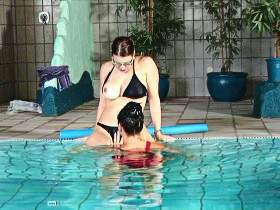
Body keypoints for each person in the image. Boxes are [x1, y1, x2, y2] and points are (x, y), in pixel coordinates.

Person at [86, 36, 175, 146]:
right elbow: (103, 104)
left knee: (158, 156)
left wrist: (158, 132)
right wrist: (96, 129)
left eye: (127, 63)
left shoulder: (145, 64)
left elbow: (154, 99)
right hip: (104, 129)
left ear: (133, 55)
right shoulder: (106, 68)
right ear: (112, 56)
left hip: (132, 131)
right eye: (117, 62)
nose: (122, 67)